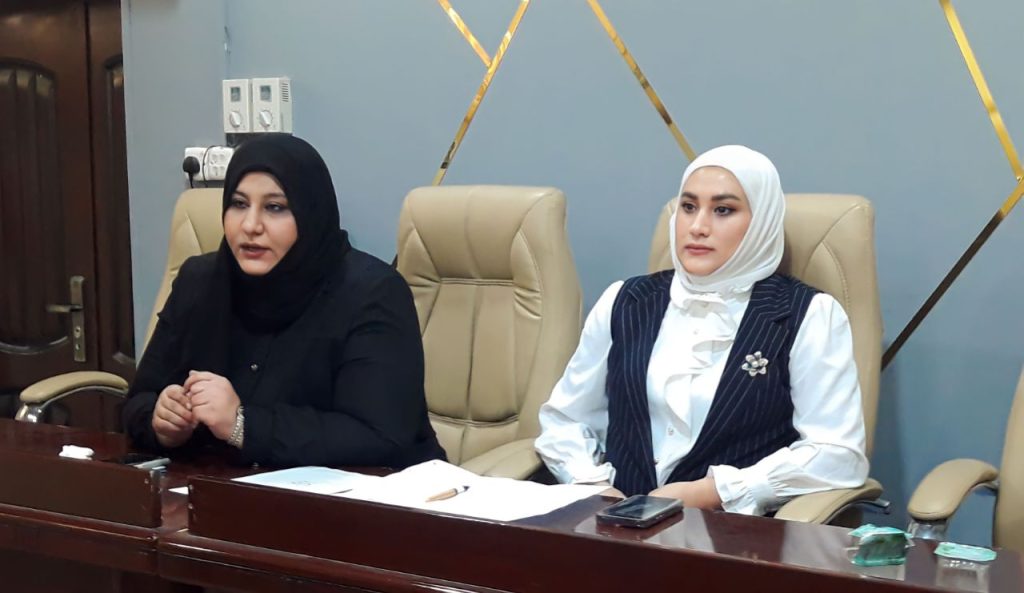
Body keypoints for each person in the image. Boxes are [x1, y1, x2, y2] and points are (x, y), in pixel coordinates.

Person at [535, 145, 868, 515]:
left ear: (762, 222)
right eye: (688, 207)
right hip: (611, 525)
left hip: (730, 533)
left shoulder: (808, 314)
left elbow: (837, 454)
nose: (697, 227)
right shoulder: (624, 300)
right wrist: (592, 486)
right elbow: (566, 420)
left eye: (723, 210)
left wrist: (715, 491)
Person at [122, 134, 445, 468]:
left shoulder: (372, 292)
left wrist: (242, 425)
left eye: (275, 207)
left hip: (366, 493)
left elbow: (380, 437)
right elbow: (137, 401)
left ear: (310, 213)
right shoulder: (200, 281)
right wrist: (161, 421)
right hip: (224, 489)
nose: (250, 225)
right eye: (238, 204)